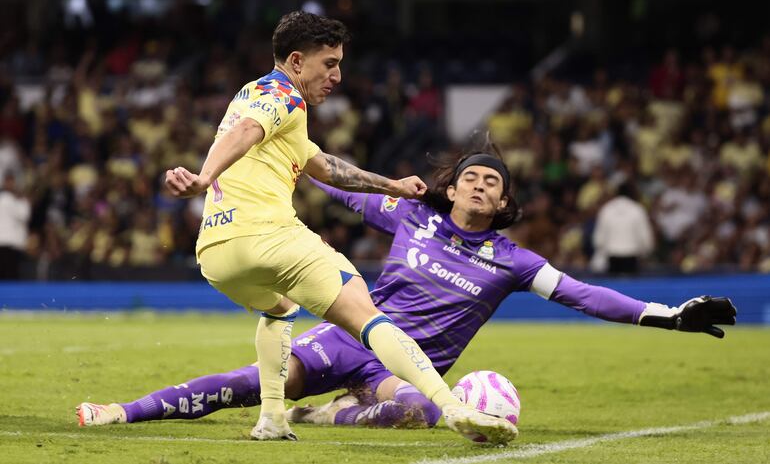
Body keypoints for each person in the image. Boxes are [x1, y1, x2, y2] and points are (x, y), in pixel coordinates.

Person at [78, 11, 516, 444]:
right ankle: (453, 407)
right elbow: (248, 130)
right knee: (368, 316)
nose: (338, 75)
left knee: (280, 309)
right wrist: (203, 177)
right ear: (295, 61)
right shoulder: (281, 95)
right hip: (268, 236)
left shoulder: (259, 99)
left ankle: (271, 418)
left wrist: (393, 186)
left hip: (217, 256)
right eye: (330, 63)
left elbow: (324, 166)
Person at [77, 146, 736, 432]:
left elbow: (585, 294)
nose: (480, 185)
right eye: (471, 177)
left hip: (405, 374)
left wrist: (668, 315)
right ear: (451, 187)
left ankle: (328, 415)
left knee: (421, 411)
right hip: (348, 336)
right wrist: (269, 162)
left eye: (493, 183)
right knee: (252, 382)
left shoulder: (511, 260)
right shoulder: (408, 214)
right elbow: (332, 185)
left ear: (504, 202)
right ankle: (124, 411)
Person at [593, 181, 655, 274]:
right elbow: (645, 237)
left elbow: (599, 239)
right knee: (630, 287)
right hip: (631, 257)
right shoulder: (637, 209)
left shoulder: (607, 209)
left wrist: (602, 251)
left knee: (613, 287)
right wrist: (646, 253)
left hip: (612, 257)